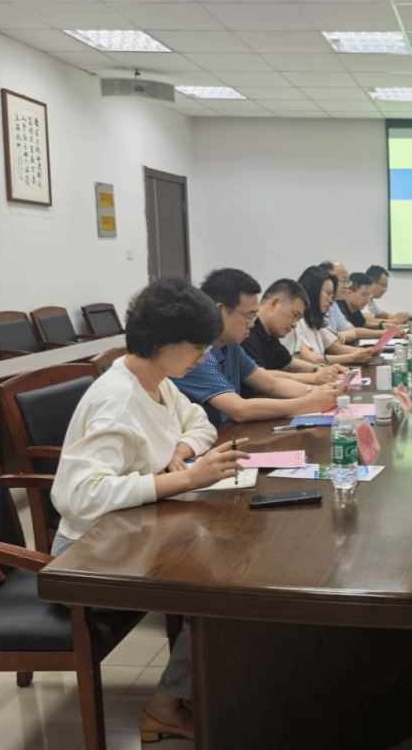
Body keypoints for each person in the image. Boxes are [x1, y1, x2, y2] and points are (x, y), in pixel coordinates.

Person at [49, 277, 251, 743]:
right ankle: (165, 707)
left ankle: (204, 687)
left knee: (234, 556)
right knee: (225, 583)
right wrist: (184, 479)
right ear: (164, 343)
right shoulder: (117, 398)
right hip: (89, 555)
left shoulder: (158, 381)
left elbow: (200, 422)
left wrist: (181, 449)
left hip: (134, 530)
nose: (204, 356)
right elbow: (77, 495)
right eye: (197, 347)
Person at [172, 268, 345, 427]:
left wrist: (316, 391)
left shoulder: (231, 345)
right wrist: (310, 402)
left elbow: (270, 383)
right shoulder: (196, 354)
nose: (252, 324)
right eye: (248, 316)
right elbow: (240, 409)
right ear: (221, 311)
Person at [240, 278, 348, 399]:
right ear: (274, 304)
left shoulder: (269, 334)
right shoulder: (245, 334)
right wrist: (314, 379)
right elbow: (263, 377)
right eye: (294, 315)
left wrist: (319, 369)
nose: (295, 325)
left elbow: (289, 363)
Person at [287, 266, 376, 367]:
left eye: (332, 296)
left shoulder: (316, 321)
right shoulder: (296, 321)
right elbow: (312, 359)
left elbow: (336, 348)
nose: (330, 300)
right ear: (314, 291)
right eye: (328, 294)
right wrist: (352, 357)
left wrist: (369, 352)